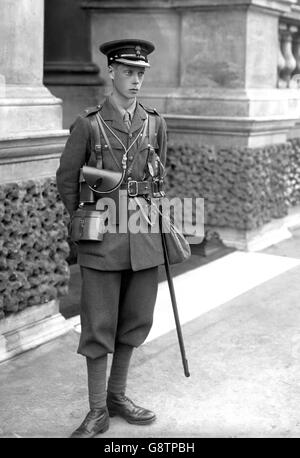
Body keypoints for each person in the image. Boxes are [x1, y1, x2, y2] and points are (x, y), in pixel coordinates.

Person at [56, 39, 168, 438]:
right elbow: (68, 179)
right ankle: (96, 410)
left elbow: (159, 173)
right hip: (101, 239)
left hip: (144, 236)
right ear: (112, 72)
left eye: (141, 74)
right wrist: (85, 220)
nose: (136, 80)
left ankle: (117, 395)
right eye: (128, 72)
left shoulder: (155, 122)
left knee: (135, 320)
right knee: (98, 324)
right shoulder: (88, 123)